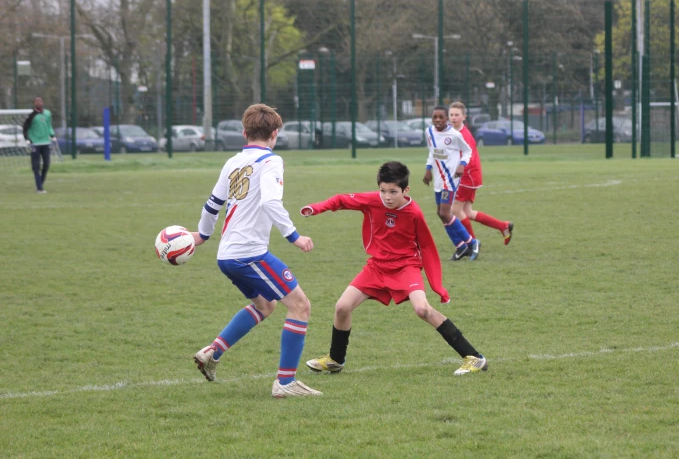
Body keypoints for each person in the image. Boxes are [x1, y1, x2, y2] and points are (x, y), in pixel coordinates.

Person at [302, 161, 488, 376]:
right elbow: (342, 200)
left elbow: (427, 247)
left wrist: (438, 286)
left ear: (405, 190)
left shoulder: (414, 213)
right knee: (342, 307)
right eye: (383, 191)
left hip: (405, 267)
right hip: (376, 267)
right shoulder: (373, 200)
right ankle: (335, 359)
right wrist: (315, 208)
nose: (387, 197)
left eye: (393, 192)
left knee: (423, 310)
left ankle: (474, 357)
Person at [190, 103, 322, 398]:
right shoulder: (271, 162)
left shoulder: (233, 161)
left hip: (227, 255)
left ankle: (212, 352)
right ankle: (285, 384)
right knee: (301, 306)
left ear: (244, 132)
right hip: (248, 254)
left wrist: (202, 235)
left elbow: (212, 204)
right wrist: (294, 236)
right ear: (275, 133)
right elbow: (271, 203)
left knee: (267, 305)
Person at [448, 102, 513, 253]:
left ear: (464, 117)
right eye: (451, 115)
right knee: (468, 212)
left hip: (467, 176)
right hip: (467, 176)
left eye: (457, 115)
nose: (453, 118)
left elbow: (467, 159)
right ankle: (503, 226)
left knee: (455, 209)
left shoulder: (464, 136)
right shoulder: (451, 131)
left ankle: (473, 244)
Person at [422, 105, 480, 261]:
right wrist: (428, 169)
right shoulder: (429, 132)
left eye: (441, 117)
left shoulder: (454, 135)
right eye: (435, 117)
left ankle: (472, 242)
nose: (438, 120)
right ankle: (460, 247)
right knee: (440, 214)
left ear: (446, 119)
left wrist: (462, 164)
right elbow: (432, 152)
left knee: (444, 212)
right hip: (438, 180)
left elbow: (468, 151)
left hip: (451, 179)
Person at [22, 97, 56, 194]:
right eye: (37, 101)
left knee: (46, 165)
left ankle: (39, 184)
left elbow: (49, 126)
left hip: (46, 143)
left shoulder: (48, 114)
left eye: (40, 101)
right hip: (35, 144)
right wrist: (27, 139)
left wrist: (52, 135)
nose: (39, 102)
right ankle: (40, 188)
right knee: (36, 166)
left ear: (43, 102)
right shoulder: (31, 116)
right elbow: (25, 128)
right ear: (34, 104)